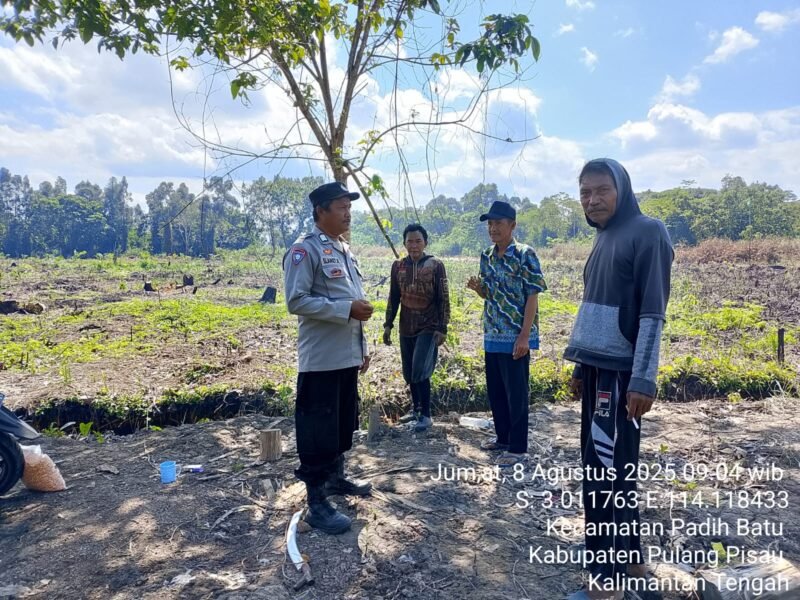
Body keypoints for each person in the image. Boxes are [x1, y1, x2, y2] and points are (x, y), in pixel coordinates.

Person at [564, 159, 673, 600]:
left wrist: (643, 379)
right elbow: (594, 307)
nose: (592, 200)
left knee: (603, 472)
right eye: (585, 192)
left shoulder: (648, 231)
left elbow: (652, 313)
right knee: (615, 469)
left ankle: (604, 584)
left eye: (601, 190)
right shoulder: (604, 237)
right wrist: (579, 365)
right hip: (596, 370)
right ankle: (630, 559)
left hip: (620, 375)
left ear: (622, 189)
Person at [283, 181, 374, 535]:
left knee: (340, 424)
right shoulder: (304, 251)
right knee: (317, 429)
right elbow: (296, 300)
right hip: (321, 358)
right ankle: (316, 502)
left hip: (345, 355)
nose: (348, 213)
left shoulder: (344, 251)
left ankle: (336, 479)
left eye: (349, 207)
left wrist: (361, 347)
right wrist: (345, 309)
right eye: (341, 207)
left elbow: (356, 300)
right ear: (321, 211)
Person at [466, 200, 547, 467]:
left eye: (498, 223)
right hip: (492, 332)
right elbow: (489, 294)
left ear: (512, 225)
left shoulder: (525, 254)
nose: (493, 229)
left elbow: (532, 296)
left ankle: (518, 446)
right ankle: (502, 438)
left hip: (515, 335)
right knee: (496, 390)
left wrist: (524, 336)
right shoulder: (486, 256)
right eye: (490, 224)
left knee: (516, 392)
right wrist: (479, 290)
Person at [383, 224, 450, 431]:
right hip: (406, 326)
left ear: (425, 243)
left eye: (418, 241)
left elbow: (443, 298)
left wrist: (442, 327)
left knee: (421, 369)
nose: (414, 245)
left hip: (429, 326)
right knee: (410, 372)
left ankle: (426, 415)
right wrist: (388, 325)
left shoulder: (436, 265)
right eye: (410, 241)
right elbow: (394, 297)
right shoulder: (398, 266)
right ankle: (416, 409)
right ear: (404, 243)